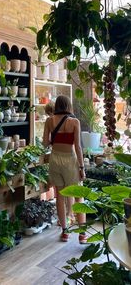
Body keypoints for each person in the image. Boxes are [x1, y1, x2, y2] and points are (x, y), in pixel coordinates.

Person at [43, 95, 87, 244]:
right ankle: (82, 235)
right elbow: (78, 147)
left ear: (56, 106)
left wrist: (55, 139)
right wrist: (82, 167)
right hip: (70, 161)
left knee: (60, 197)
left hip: (55, 160)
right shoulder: (74, 122)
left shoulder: (49, 121)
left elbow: (44, 143)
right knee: (78, 196)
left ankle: (65, 232)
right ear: (68, 106)